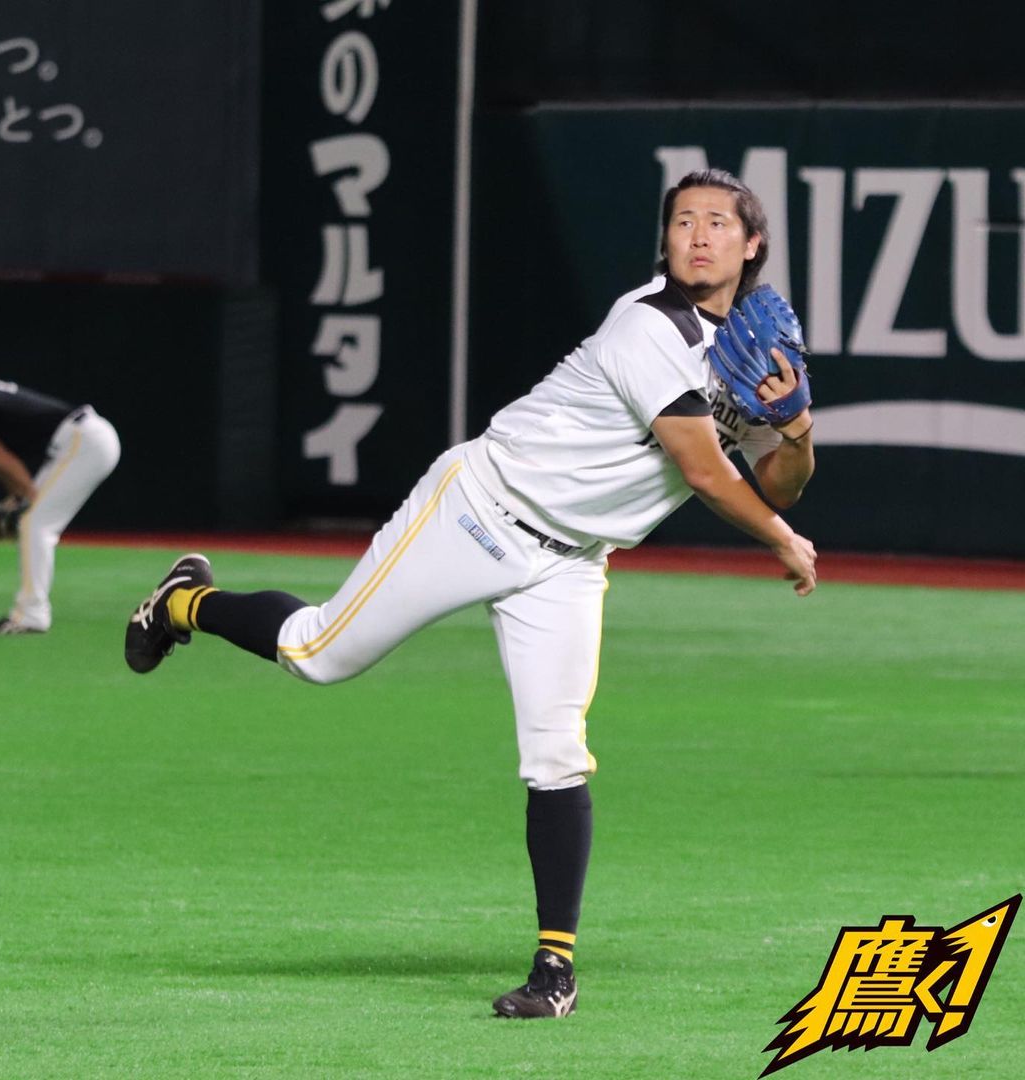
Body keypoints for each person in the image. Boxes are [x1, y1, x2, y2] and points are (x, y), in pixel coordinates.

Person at [124, 168, 816, 1018]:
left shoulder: (752, 347)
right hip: (480, 509)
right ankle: (183, 601)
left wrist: (796, 428)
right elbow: (706, 470)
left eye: (717, 221)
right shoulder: (647, 324)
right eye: (682, 220)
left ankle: (554, 972)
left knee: (558, 753)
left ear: (752, 244)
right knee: (316, 652)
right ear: (665, 240)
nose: (698, 234)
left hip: (569, 562)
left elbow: (779, 483)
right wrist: (781, 540)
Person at [0, 342, 121, 634]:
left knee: (34, 523)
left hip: (85, 441)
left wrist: (26, 496)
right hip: (81, 439)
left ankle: (31, 615)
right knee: (32, 521)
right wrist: (20, 496)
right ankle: (30, 612)